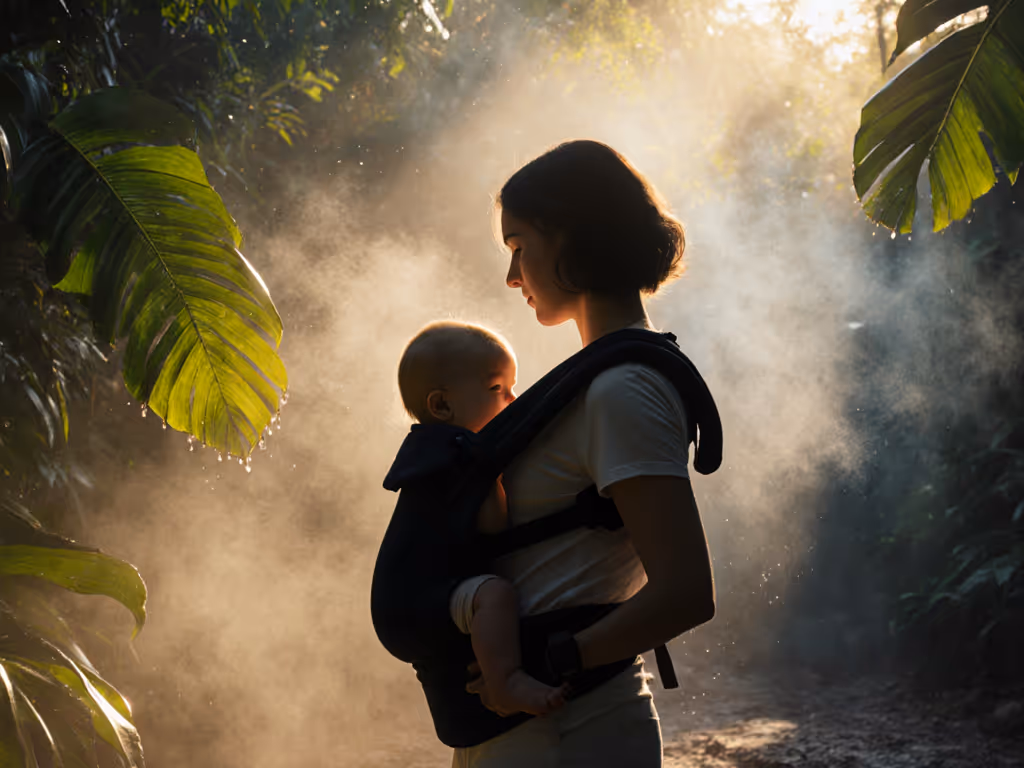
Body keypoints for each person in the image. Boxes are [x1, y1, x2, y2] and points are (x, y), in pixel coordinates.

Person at [451, 139, 717, 767]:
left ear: (570, 236)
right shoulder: (602, 378)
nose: (511, 276)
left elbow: (686, 592)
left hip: (573, 726)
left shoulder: (624, 389)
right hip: (545, 723)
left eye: (518, 246)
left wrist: (547, 663)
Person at [394, 320, 568, 716]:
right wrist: (497, 479)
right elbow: (492, 526)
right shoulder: (462, 456)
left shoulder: (431, 451)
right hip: (415, 602)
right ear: (441, 405)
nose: (512, 400)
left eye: (513, 388)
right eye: (496, 389)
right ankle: (505, 682)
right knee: (496, 595)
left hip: (412, 599)